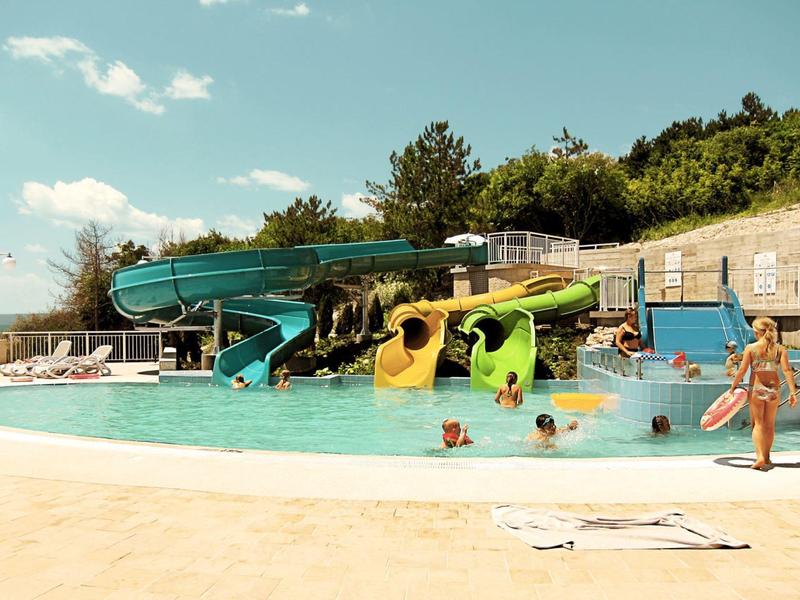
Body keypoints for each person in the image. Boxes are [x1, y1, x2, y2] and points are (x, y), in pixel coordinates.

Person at [730, 317, 798, 470]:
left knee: (757, 424)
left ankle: (760, 457)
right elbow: (787, 371)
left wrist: (733, 387)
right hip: (774, 389)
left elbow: (742, 370)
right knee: (769, 425)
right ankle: (767, 457)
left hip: (757, 389)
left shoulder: (751, 348)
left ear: (756, 332)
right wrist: (793, 392)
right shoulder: (780, 349)